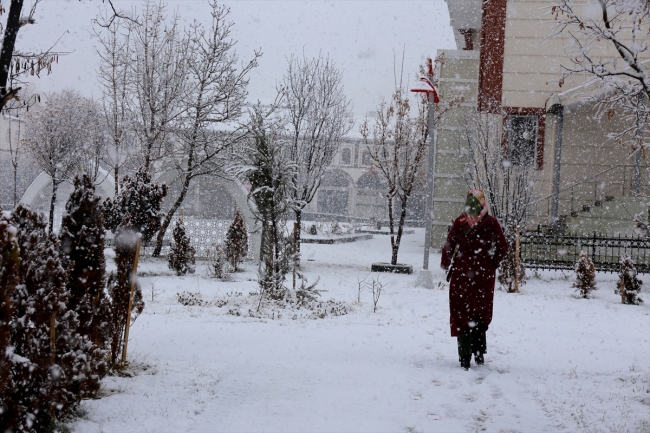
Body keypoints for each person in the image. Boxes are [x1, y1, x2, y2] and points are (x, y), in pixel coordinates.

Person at [441, 189, 508, 370]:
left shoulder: (460, 222)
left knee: (462, 314)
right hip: (483, 275)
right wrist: (492, 262)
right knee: (479, 313)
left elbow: (449, 245)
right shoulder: (491, 222)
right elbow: (503, 246)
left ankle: (465, 356)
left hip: (462, 274)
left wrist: (446, 263)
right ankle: (478, 352)